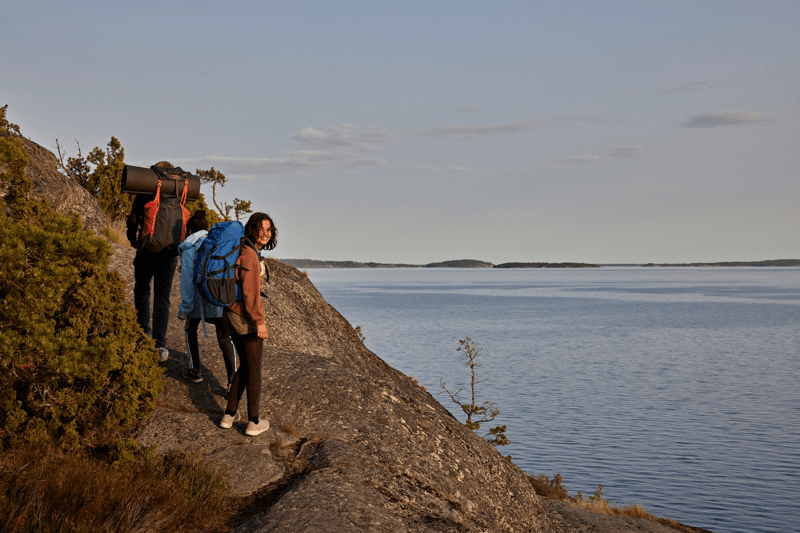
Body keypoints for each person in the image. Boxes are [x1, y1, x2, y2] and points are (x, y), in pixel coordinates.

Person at [219, 212, 277, 436]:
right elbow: (251, 293)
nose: (265, 233)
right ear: (252, 229)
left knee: (244, 366)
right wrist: (259, 322)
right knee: (254, 370)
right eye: (261, 229)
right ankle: (253, 421)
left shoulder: (240, 249)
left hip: (229, 314)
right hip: (244, 317)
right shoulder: (250, 254)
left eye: (269, 230)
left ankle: (229, 415)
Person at [126, 161, 179, 363]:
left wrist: (134, 241)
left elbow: (133, 220)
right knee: (162, 298)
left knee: (141, 289)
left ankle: (143, 334)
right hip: (170, 253)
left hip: (147, 250)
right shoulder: (179, 193)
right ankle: (160, 345)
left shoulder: (146, 190)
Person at [177, 210, 238, 386]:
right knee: (224, 336)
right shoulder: (216, 243)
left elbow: (187, 281)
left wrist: (185, 309)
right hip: (218, 297)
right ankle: (232, 380)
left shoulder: (189, 247)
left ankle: (195, 370)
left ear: (189, 230)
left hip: (198, 299)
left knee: (190, 329)